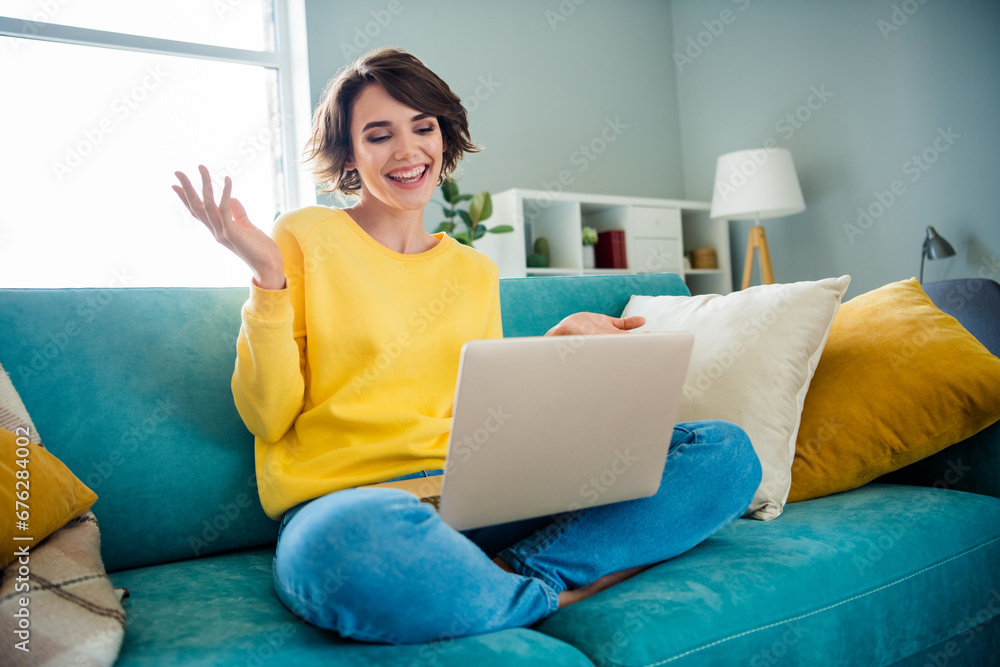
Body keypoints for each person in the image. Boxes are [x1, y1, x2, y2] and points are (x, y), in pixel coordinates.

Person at [172, 46, 762, 646]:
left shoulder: (473, 270)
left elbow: (483, 412)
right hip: (354, 508)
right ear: (349, 154)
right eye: (379, 135)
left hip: (477, 500)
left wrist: (554, 350)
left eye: (422, 128)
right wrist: (268, 280)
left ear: (443, 136)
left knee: (725, 452)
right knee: (344, 549)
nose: (407, 150)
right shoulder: (303, 236)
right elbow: (268, 416)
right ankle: (551, 592)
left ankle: (517, 578)